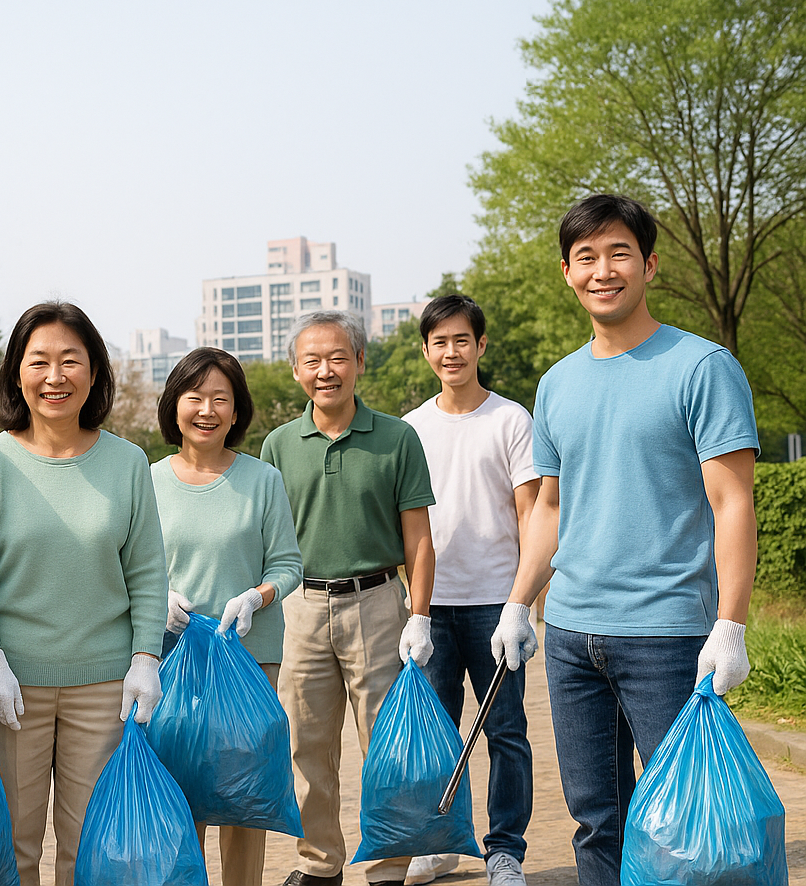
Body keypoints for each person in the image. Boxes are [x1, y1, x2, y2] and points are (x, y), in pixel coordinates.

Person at [490, 194, 759, 886]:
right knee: (595, 820)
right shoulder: (557, 384)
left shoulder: (702, 367)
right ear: (566, 271)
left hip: (666, 635)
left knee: (683, 828)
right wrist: (519, 603)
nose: (602, 270)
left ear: (649, 265)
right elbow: (550, 504)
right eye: (587, 257)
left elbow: (732, 504)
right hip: (572, 635)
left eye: (618, 254)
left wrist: (729, 624)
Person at [0, 301, 168, 886]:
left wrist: (146, 658)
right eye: (39, 361)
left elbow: (148, 572)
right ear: (16, 373)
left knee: (91, 849)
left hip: (102, 685)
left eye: (71, 361)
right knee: (13, 848)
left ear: (94, 372)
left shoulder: (126, 463)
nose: (55, 377)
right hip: (9, 688)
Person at [259, 309, 436, 886]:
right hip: (300, 608)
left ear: (360, 362)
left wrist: (420, 615)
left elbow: (419, 537)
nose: (325, 371)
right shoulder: (278, 445)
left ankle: (388, 866)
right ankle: (319, 864)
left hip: (379, 604)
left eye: (338, 357)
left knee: (388, 747)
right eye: (311, 361)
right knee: (306, 745)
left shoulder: (397, 438)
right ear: (295, 371)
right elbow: (266, 537)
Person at [151, 347, 302, 886]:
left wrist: (256, 597)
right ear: (174, 407)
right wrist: (155, 598)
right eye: (195, 397)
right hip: (173, 663)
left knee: (244, 795)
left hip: (248, 656)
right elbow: (130, 567)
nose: (207, 409)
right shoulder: (148, 481)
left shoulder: (261, 480)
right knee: (181, 792)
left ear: (237, 412)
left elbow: (288, 564)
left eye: (221, 398)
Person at [401, 295, 538, 886]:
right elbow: (403, 524)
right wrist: (414, 607)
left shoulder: (512, 420)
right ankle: (439, 842)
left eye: (462, 339)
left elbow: (533, 514)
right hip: (432, 604)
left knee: (506, 732)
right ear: (426, 351)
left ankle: (504, 849)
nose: (451, 351)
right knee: (435, 734)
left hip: (494, 604)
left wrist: (524, 604)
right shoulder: (411, 428)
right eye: (439, 342)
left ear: (481, 346)